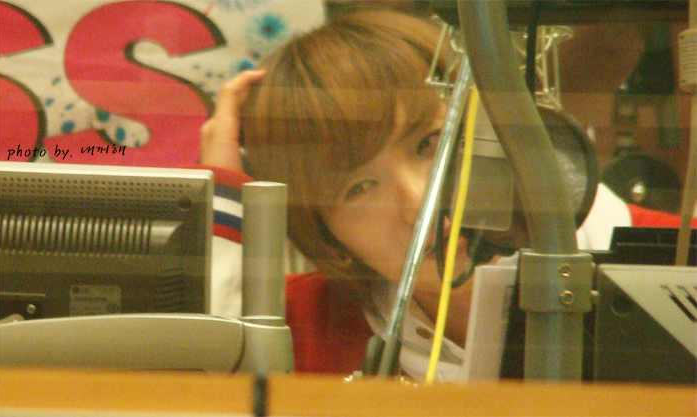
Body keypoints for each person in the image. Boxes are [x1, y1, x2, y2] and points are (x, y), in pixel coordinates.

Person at [199, 10, 695, 380]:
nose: (420, 204)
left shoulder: (679, 261)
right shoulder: (293, 326)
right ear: (326, 236)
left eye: (429, 144)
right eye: (358, 188)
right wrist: (222, 187)